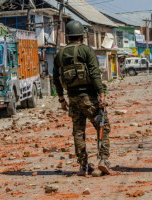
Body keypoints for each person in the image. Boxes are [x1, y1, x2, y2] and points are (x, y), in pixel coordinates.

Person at [53, 20, 111, 176]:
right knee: (103, 127)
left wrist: (61, 99)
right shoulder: (86, 51)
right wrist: (101, 94)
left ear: (69, 36)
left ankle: (83, 166)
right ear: (81, 35)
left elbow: (55, 79)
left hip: (73, 99)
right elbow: (94, 73)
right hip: (89, 98)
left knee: (78, 132)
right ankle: (103, 160)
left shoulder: (59, 55)